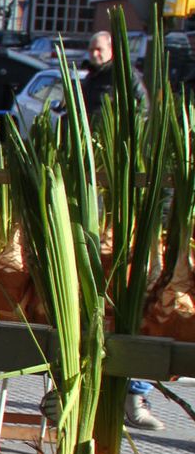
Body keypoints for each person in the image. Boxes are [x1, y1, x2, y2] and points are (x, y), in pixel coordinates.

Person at [80, 30, 161, 431]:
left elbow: (142, 115)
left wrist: (123, 151)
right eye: (91, 48)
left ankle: (135, 393)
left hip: (120, 179)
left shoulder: (127, 80)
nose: (94, 54)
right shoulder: (89, 78)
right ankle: (72, 389)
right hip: (93, 179)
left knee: (137, 302)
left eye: (100, 49)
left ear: (113, 51)